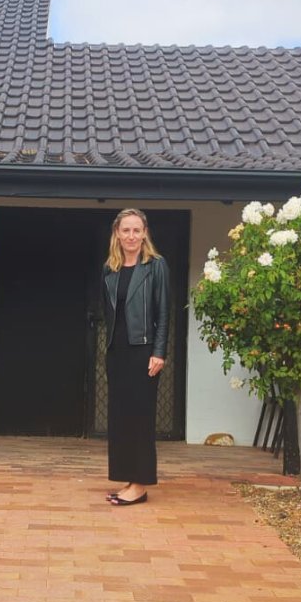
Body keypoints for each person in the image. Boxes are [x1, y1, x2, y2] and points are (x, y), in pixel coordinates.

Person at [102, 208, 169, 506]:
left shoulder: (156, 266)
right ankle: (129, 479)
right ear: (117, 233)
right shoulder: (110, 269)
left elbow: (164, 312)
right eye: (125, 230)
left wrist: (159, 352)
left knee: (141, 419)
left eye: (136, 230)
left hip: (143, 352)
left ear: (144, 234)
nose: (131, 236)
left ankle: (140, 485)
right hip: (117, 353)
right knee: (121, 419)